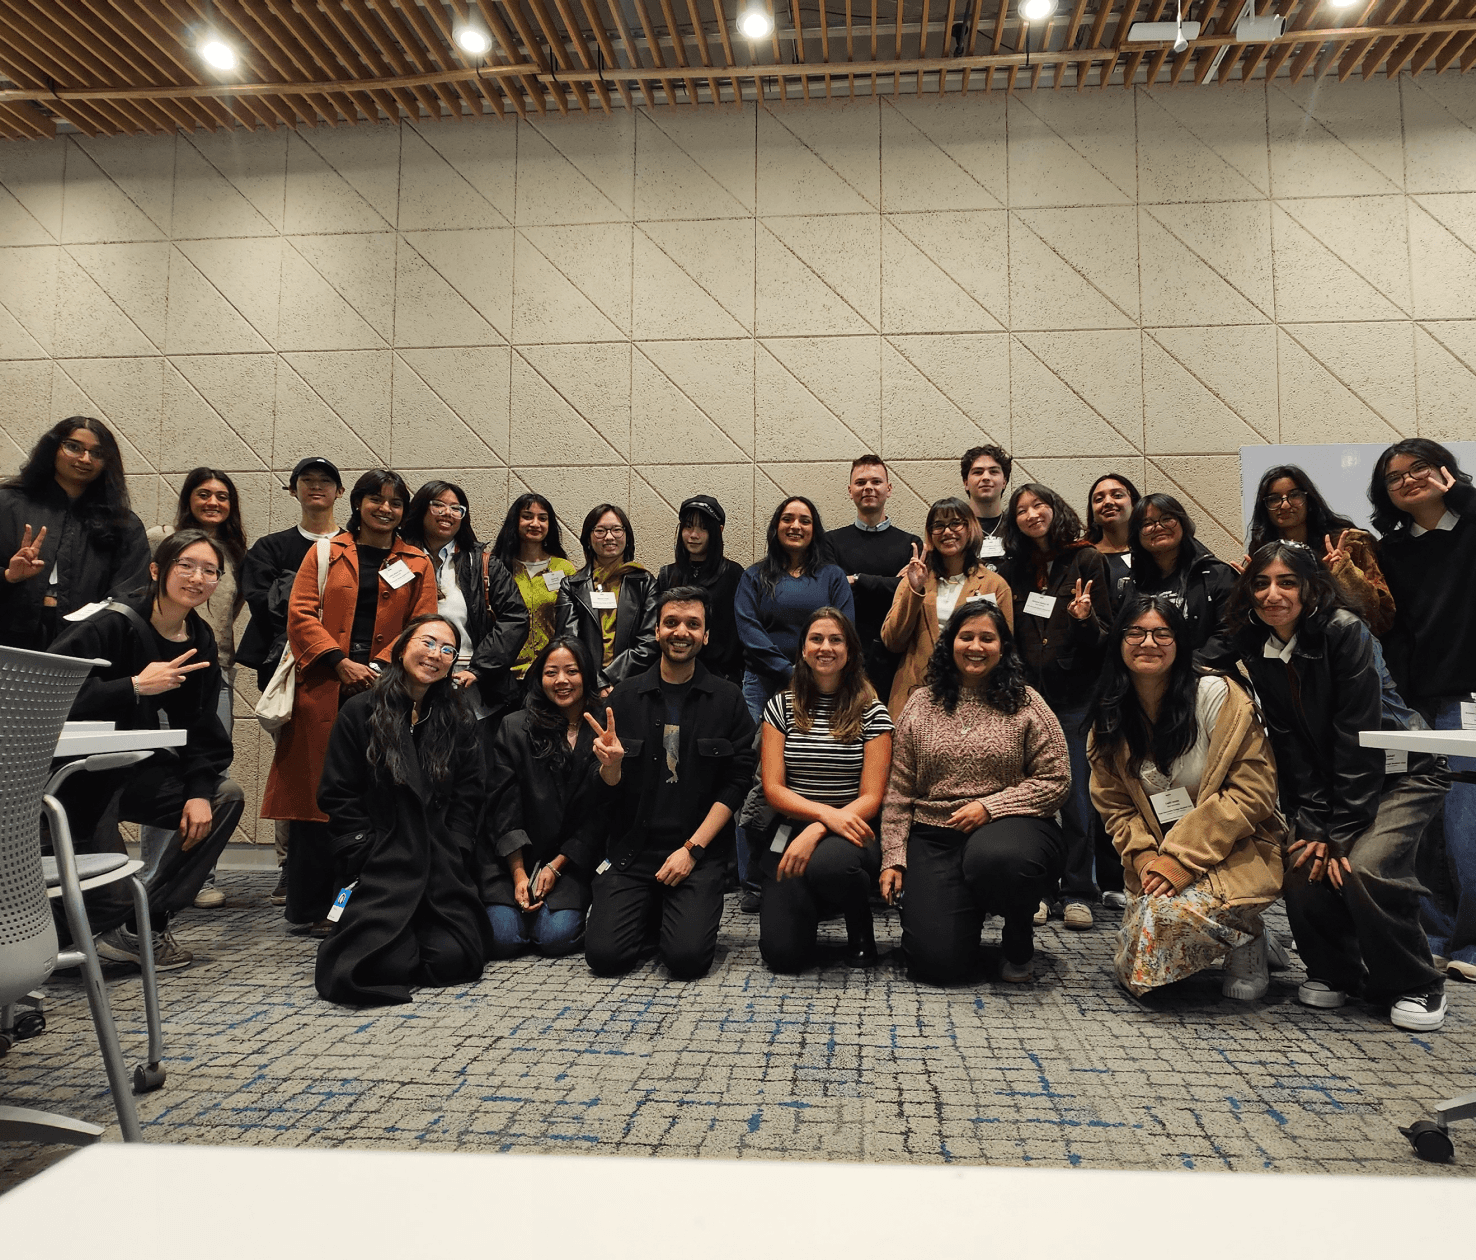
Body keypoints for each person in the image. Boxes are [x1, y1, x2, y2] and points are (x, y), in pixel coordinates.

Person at [1228, 541, 1450, 1031]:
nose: (1272, 594)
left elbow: (1357, 734)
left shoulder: (1345, 630)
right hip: (1336, 780)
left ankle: (1417, 983)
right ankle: (1336, 973)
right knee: (1301, 862)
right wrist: (1312, 824)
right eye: (1261, 583)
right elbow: (1289, 741)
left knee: (1364, 868)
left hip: (1402, 771)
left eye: (1287, 582)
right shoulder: (1257, 642)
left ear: (1311, 588)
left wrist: (1341, 832)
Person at [48, 529, 246, 971]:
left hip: (134, 767)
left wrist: (199, 791)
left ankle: (140, 927)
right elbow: (46, 695)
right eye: (186, 565)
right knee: (108, 899)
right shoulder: (109, 623)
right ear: (157, 570)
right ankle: (98, 926)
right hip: (78, 775)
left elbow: (201, 725)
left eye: (209, 570)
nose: (197, 577)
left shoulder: (199, 638)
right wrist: (134, 686)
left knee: (224, 796)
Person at [261, 470, 437, 935]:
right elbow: (300, 613)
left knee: (373, 795)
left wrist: (377, 667)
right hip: (323, 684)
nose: (385, 509)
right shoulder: (325, 551)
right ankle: (309, 905)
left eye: (395, 502)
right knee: (319, 797)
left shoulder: (417, 561)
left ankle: (358, 901)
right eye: (376, 499)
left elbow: (422, 624)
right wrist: (339, 662)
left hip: (385, 686)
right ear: (357, 503)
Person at [1087, 595, 1285, 999]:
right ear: (1119, 641)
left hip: (1235, 847)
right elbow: (1116, 808)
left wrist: (1180, 858)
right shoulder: (1110, 714)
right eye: (1136, 633)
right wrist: (1145, 858)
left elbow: (1253, 792)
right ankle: (1232, 931)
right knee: (1138, 971)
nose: (1148, 643)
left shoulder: (1217, 696)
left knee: (1167, 919)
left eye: (1162, 634)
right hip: (1158, 858)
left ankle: (1249, 936)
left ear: (1180, 642)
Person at [880, 603, 1068, 985]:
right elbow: (899, 789)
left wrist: (991, 806)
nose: (976, 647)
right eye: (966, 637)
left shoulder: (1027, 703)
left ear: (1003, 647)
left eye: (987, 638)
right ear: (950, 643)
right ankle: (960, 911)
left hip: (1013, 831)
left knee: (996, 859)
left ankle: (1017, 930)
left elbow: (1057, 779)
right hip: (936, 834)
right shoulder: (920, 703)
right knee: (936, 965)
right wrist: (893, 857)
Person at [314, 615, 491, 1006]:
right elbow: (338, 793)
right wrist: (363, 849)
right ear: (401, 647)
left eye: (448, 650)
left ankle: (417, 930)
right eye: (427, 642)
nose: (436, 654)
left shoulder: (457, 716)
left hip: (439, 858)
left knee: (454, 960)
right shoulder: (360, 710)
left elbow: (469, 792)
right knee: (381, 966)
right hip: (382, 858)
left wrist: (457, 845)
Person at [584, 587, 758, 980]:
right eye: (671, 622)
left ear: (706, 635)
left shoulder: (728, 699)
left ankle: (671, 912)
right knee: (605, 957)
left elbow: (737, 783)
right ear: (657, 631)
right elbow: (604, 791)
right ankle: (653, 910)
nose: (681, 632)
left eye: (693, 624)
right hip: (633, 852)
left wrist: (692, 850)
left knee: (686, 960)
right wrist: (611, 766)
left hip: (696, 853)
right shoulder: (624, 698)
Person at [1367, 439, 1476, 975]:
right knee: (1421, 823)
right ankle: (1433, 934)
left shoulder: (1471, 529)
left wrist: (1465, 497)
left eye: (1420, 469)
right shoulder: (1390, 551)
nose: (1408, 480)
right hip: (1411, 702)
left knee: (1466, 825)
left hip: (1466, 697)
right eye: (1395, 477)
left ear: (1446, 472)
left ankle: (1470, 944)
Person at [998, 482, 1112, 931]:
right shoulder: (1014, 568)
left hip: (1075, 697)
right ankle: (1039, 889)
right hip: (1025, 698)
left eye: (1039, 505)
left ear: (1055, 508)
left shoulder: (1087, 559)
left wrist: (1083, 619)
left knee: (1076, 797)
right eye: (1022, 510)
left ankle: (1079, 891)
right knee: (1031, 797)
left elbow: (1104, 637)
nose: (1032, 515)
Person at [734, 496, 854, 910]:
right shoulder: (754, 576)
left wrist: (812, 675)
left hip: (823, 686)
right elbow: (748, 630)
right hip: (762, 685)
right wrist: (790, 672)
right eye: (787, 518)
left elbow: (844, 629)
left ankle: (814, 868)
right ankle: (752, 879)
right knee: (756, 778)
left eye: (804, 519)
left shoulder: (832, 576)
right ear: (776, 527)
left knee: (812, 770)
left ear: (814, 528)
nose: (796, 526)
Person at [758, 609, 893, 972]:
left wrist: (820, 826)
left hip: (853, 830)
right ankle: (811, 906)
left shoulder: (872, 712)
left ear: (850, 651)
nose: (825, 647)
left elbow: (872, 797)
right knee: (782, 955)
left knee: (831, 866)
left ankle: (858, 924)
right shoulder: (780, 707)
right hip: (791, 829)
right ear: (803, 650)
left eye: (836, 640)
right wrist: (820, 816)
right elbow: (773, 788)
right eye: (816, 639)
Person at [236, 456, 345, 906]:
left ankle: (342, 864)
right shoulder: (271, 547)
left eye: (326, 481)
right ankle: (290, 866)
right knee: (295, 767)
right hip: (288, 668)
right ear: (293, 489)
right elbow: (267, 604)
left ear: (340, 492)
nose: (316, 487)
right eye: (307, 481)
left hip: (344, 671)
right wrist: (318, 618)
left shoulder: (352, 545)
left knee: (343, 764)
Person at [143, 468, 248, 910]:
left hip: (214, 667)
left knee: (207, 768)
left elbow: (229, 611)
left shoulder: (235, 553)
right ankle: (152, 876)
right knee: (161, 770)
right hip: (158, 667)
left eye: (222, 496)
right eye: (204, 494)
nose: (213, 502)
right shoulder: (161, 537)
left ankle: (196, 876)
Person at [481, 636, 605, 960]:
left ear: (586, 674)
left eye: (572, 671)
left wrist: (557, 865)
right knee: (504, 939)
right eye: (551, 672)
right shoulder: (514, 727)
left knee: (554, 938)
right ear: (539, 678)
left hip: (572, 858)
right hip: (514, 856)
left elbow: (600, 813)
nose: (562, 680)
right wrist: (519, 874)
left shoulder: (603, 728)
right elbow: (504, 807)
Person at [1, 416, 150, 651]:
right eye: (73, 447)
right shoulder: (7, 504)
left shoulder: (124, 524)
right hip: (8, 635)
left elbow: (131, 594)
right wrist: (9, 576)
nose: (85, 459)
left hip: (84, 643)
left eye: (97, 453)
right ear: (53, 448)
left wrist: (91, 631)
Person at [401, 479, 529, 724]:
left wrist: (479, 668)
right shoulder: (398, 558)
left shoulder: (483, 564)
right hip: (409, 679)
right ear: (421, 509)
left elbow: (515, 618)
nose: (447, 513)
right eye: (438, 505)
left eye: (456, 508)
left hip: (469, 683)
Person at [879, 497, 1013, 721]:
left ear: (970, 528)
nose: (947, 531)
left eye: (955, 523)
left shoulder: (994, 585)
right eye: (938, 526)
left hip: (973, 699)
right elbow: (892, 641)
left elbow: (1004, 651)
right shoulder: (914, 579)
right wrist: (915, 590)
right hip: (916, 696)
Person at [1247, 465, 1393, 637]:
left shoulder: (1349, 543)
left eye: (1294, 495)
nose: (1285, 505)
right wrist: (1248, 591)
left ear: (1309, 500)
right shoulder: (1262, 554)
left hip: (1346, 645)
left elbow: (1383, 616)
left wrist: (1343, 574)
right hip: (1286, 648)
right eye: (1274, 499)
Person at [824, 455, 922, 707]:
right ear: (850, 491)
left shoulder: (911, 544)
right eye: (861, 482)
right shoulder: (829, 542)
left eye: (876, 481)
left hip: (896, 658)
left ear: (889, 489)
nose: (868, 487)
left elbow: (910, 594)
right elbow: (833, 592)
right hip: (844, 656)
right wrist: (892, 585)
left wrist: (857, 579)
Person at [557, 503, 658, 693]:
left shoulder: (645, 583)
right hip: (585, 686)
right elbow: (569, 641)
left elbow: (649, 641)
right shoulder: (571, 586)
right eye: (600, 531)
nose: (609, 537)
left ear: (627, 537)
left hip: (632, 685)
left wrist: (607, 678)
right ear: (588, 538)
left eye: (617, 530)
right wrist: (593, 682)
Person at [1125, 493, 1236, 665]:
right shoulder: (1132, 583)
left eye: (1167, 519)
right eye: (1147, 524)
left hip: (1204, 672)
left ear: (1183, 523)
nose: (1158, 527)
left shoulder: (1217, 574)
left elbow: (1231, 635)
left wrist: (1184, 668)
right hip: (1148, 673)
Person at [655, 494, 744, 684]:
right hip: (674, 675)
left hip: (721, 678)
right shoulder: (667, 575)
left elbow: (738, 634)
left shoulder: (733, 574)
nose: (694, 535)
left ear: (718, 531)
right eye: (688, 527)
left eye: (703, 528)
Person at [491, 492, 579, 683]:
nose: (535, 523)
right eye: (527, 516)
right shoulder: (498, 568)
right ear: (515, 521)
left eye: (543, 518)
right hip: (505, 671)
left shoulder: (564, 569)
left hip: (551, 672)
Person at [1084, 472, 1141, 610]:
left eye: (1117, 495)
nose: (1108, 502)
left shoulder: (1152, 551)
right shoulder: (1083, 557)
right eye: (1099, 499)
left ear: (1134, 504)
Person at [959, 444, 1012, 571]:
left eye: (994, 471)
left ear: (1004, 482)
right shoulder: (955, 530)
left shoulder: (1016, 528)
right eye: (978, 472)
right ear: (966, 483)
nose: (986, 477)